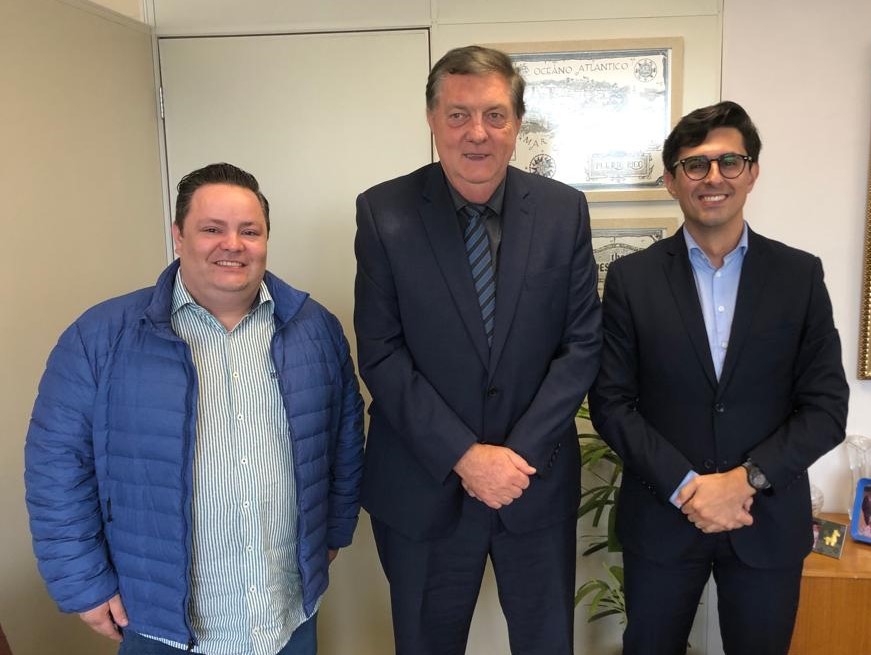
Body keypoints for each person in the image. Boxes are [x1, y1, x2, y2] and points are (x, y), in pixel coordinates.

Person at [24, 163, 365, 655]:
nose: (233, 244)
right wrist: (83, 582)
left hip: (287, 613)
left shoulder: (315, 329)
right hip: (161, 623)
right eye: (212, 229)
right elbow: (56, 465)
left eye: (250, 231)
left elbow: (344, 441)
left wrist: (333, 532)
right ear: (179, 237)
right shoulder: (100, 337)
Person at [353, 45, 601, 655]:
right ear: (433, 121)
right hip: (423, 483)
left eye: (494, 115)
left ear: (517, 123)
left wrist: (513, 455)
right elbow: (381, 353)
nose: (477, 134)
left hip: (532, 481)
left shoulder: (563, 210)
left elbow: (582, 344)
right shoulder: (384, 212)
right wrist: (465, 456)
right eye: (458, 115)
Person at [589, 101, 849, 655]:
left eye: (730, 162)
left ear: (752, 172)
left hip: (767, 519)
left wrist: (744, 480)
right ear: (671, 180)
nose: (713, 178)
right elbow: (612, 403)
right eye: (694, 165)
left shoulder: (799, 275)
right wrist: (689, 488)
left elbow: (826, 407)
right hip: (662, 520)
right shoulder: (633, 280)